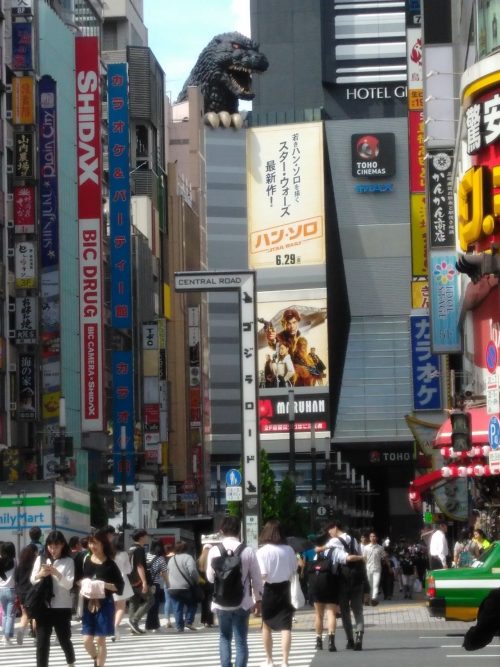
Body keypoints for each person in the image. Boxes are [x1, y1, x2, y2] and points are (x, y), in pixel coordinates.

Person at [206, 516, 263, 667]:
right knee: (241, 641)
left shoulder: (214, 550)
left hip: (221, 602)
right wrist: (258, 600)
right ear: (239, 530)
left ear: (221, 531)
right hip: (242, 602)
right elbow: (257, 579)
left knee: (224, 638)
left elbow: (210, 578)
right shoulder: (247, 550)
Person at [316, 521, 366, 651]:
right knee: (358, 610)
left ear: (335, 527)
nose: (329, 533)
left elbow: (324, 551)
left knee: (345, 611)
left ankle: (350, 640)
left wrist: (319, 549)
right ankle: (359, 637)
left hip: (343, 579)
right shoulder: (354, 540)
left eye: (329, 529)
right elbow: (359, 557)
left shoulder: (333, 542)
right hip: (357, 578)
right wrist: (361, 558)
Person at [30, 530, 76, 667]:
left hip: (62, 607)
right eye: (50, 546)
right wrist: (41, 574)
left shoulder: (68, 561)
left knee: (64, 639)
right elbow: (33, 579)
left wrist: (56, 573)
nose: (52, 549)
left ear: (62, 545)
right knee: (42, 642)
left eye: (56, 546)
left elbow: (69, 584)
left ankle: (71, 662)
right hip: (43, 606)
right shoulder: (41, 559)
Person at [79, 529, 124, 667]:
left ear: (103, 544)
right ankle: (96, 658)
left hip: (105, 604)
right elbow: (78, 579)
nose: (93, 546)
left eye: (96, 543)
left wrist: (103, 585)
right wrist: (83, 583)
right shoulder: (85, 560)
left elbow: (119, 587)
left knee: (100, 640)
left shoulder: (110, 564)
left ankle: (100, 664)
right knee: (86, 641)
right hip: (88, 603)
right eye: (91, 543)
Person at [256, 520, 297, 667]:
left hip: (269, 591)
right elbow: (294, 570)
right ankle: (285, 662)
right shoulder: (289, 550)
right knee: (286, 627)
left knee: (266, 625)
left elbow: (263, 575)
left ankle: (269, 660)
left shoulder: (261, 552)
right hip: (286, 590)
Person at [307, 533, 342, 653]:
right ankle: (331, 642)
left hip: (317, 586)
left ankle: (318, 641)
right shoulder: (334, 551)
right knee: (331, 613)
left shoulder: (314, 553)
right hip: (331, 585)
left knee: (318, 615)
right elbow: (341, 563)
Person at [166, 540, 200, 632]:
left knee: (177, 607)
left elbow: (168, 572)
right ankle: (188, 621)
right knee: (192, 604)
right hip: (185, 587)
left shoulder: (171, 559)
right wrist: (197, 580)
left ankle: (179, 627)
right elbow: (192, 571)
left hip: (172, 587)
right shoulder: (188, 558)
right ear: (186, 548)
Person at [127, 529, 154, 634]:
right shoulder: (139, 549)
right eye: (146, 536)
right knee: (150, 599)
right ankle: (134, 620)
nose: (147, 538)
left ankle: (133, 627)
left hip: (130, 580)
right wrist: (144, 582)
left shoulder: (130, 549)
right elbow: (140, 566)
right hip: (138, 580)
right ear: (141, 537)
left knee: (134, 601)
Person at [110, 532, 133, 641]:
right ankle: (115, 628)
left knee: (111, 607)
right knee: (120, 607)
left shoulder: (107, 553)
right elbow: (128, 570)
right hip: (121, 581)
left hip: (108, 581)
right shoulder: (123, 554)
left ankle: (109, 628)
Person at [14, 543, 38, 644]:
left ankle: (21, 630)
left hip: (22, 594)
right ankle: (36, 637)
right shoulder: (35, 566)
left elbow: (16, 580)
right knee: (36, 616)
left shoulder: (19, 566)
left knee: (25, 614)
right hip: (33, 593)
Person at [145, 539, 169, 632]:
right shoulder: (161, 558)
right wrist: (168, 584)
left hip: (146, 583)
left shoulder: (146, 555)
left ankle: (153, 625)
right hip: (155, 584)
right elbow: (164, 573)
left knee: (149, 604)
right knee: (154, 605)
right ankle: (153, 626)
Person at [0, 541, 16, 646]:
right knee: (10, 615)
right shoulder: (14, 561)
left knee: (5, 614)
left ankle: (3, 637)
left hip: (1, 589)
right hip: (11, 590)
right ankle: (6, 638)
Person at [363, 532, 385, 606]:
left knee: (376, 584)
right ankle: (371, 598)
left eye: (374, 536)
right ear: (369, 538)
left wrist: (385, 556)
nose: (373, 537)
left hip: (377, 568)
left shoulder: (380, 547)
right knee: (370, 585)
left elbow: (383, 556)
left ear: (376, 538)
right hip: (369, 568)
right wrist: (367, 565)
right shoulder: (366, 548)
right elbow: (364, 558)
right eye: (371, 536)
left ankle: (374, 598)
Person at [198, 544, 215, 628]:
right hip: (211, 583)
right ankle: (209, 621)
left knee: (203, 602)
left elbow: (196, 574)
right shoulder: (213, 560)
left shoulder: (199, 560)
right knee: (210, 602)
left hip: (202, 584)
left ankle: (204, 620)